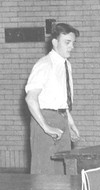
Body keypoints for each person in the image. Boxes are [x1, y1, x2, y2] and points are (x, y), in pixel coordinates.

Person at [25, 22, 81, 174]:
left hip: (62, 117)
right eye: (67, 42)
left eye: (73, 43)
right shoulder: (44, 64)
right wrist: (45, 126)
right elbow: (31, 99)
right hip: (44, 118)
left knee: (65, 170)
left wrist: (70, 123)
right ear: (55, 42)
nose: (71, 47)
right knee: (45, 172)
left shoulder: (66, 65)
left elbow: (62, 99)